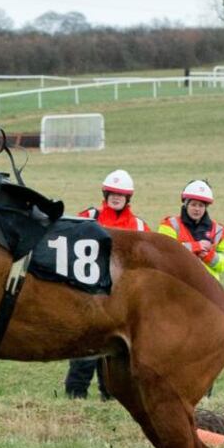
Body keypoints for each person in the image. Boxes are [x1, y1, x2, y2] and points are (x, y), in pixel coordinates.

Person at [65, 169, 150, 400]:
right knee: (84, 346)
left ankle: (110, 396)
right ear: (105, 194)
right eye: (111, 193)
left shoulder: (139, 226)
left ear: (128, 198)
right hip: (88, 293)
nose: (115, 197)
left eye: (120, 195)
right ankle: (75, 395)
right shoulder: (88, 216)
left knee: (112, 348)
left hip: (120, 297)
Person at [158, 179, 224, 281]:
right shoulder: (169, 225)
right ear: (186, 204)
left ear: (206, 207)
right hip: (178, 285)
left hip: (209, 288)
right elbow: (164, 253)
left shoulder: (221, 232)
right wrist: (196, 247)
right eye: (193, 204)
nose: (197, 209)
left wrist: (209, 256)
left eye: (201, 205)